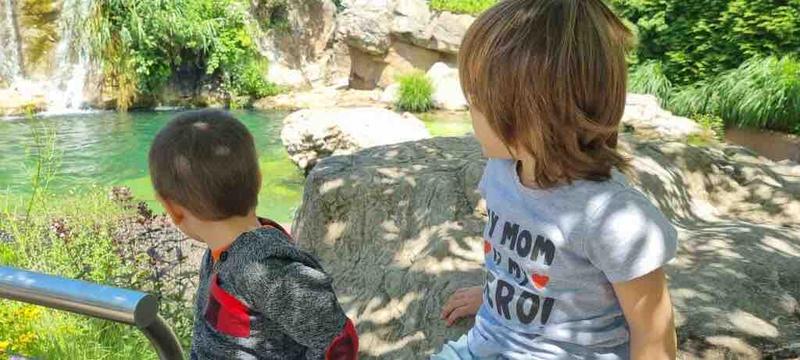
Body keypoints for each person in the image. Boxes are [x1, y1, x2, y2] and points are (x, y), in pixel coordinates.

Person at [435, 1, 678, 359]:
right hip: (488, 342)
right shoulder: (501, 173)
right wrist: (496, 296)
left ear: (529, 111)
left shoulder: (614, 219)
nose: (468, 110)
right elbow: (519, 262)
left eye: (477, 100)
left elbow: (653, 333)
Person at [148, 109, 358, 360]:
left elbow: (338, 339)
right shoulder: (220, 253)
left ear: (172, 209)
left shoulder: (265, 270)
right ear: (258, 180)